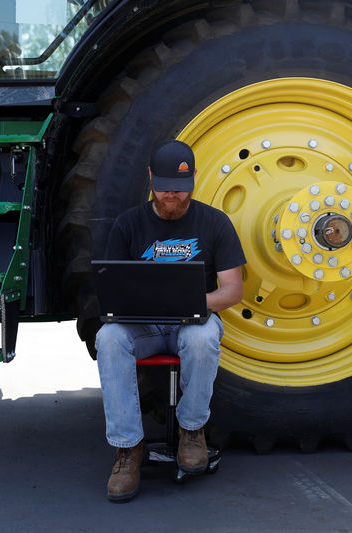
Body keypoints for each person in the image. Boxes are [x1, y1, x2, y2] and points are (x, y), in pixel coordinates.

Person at [95, 139, 246, 502]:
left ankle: (192, 431)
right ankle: (127, 448)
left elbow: (232, 290)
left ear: (194, 179)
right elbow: (112, 286)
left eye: (180, 190)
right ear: (150, 179)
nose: (172, 198)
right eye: (164, 189)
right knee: (108, 338)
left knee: (201, 338)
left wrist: (191, 302)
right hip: (143, 328)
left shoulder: (215, 223)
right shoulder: (128, 225)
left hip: (191, 322)